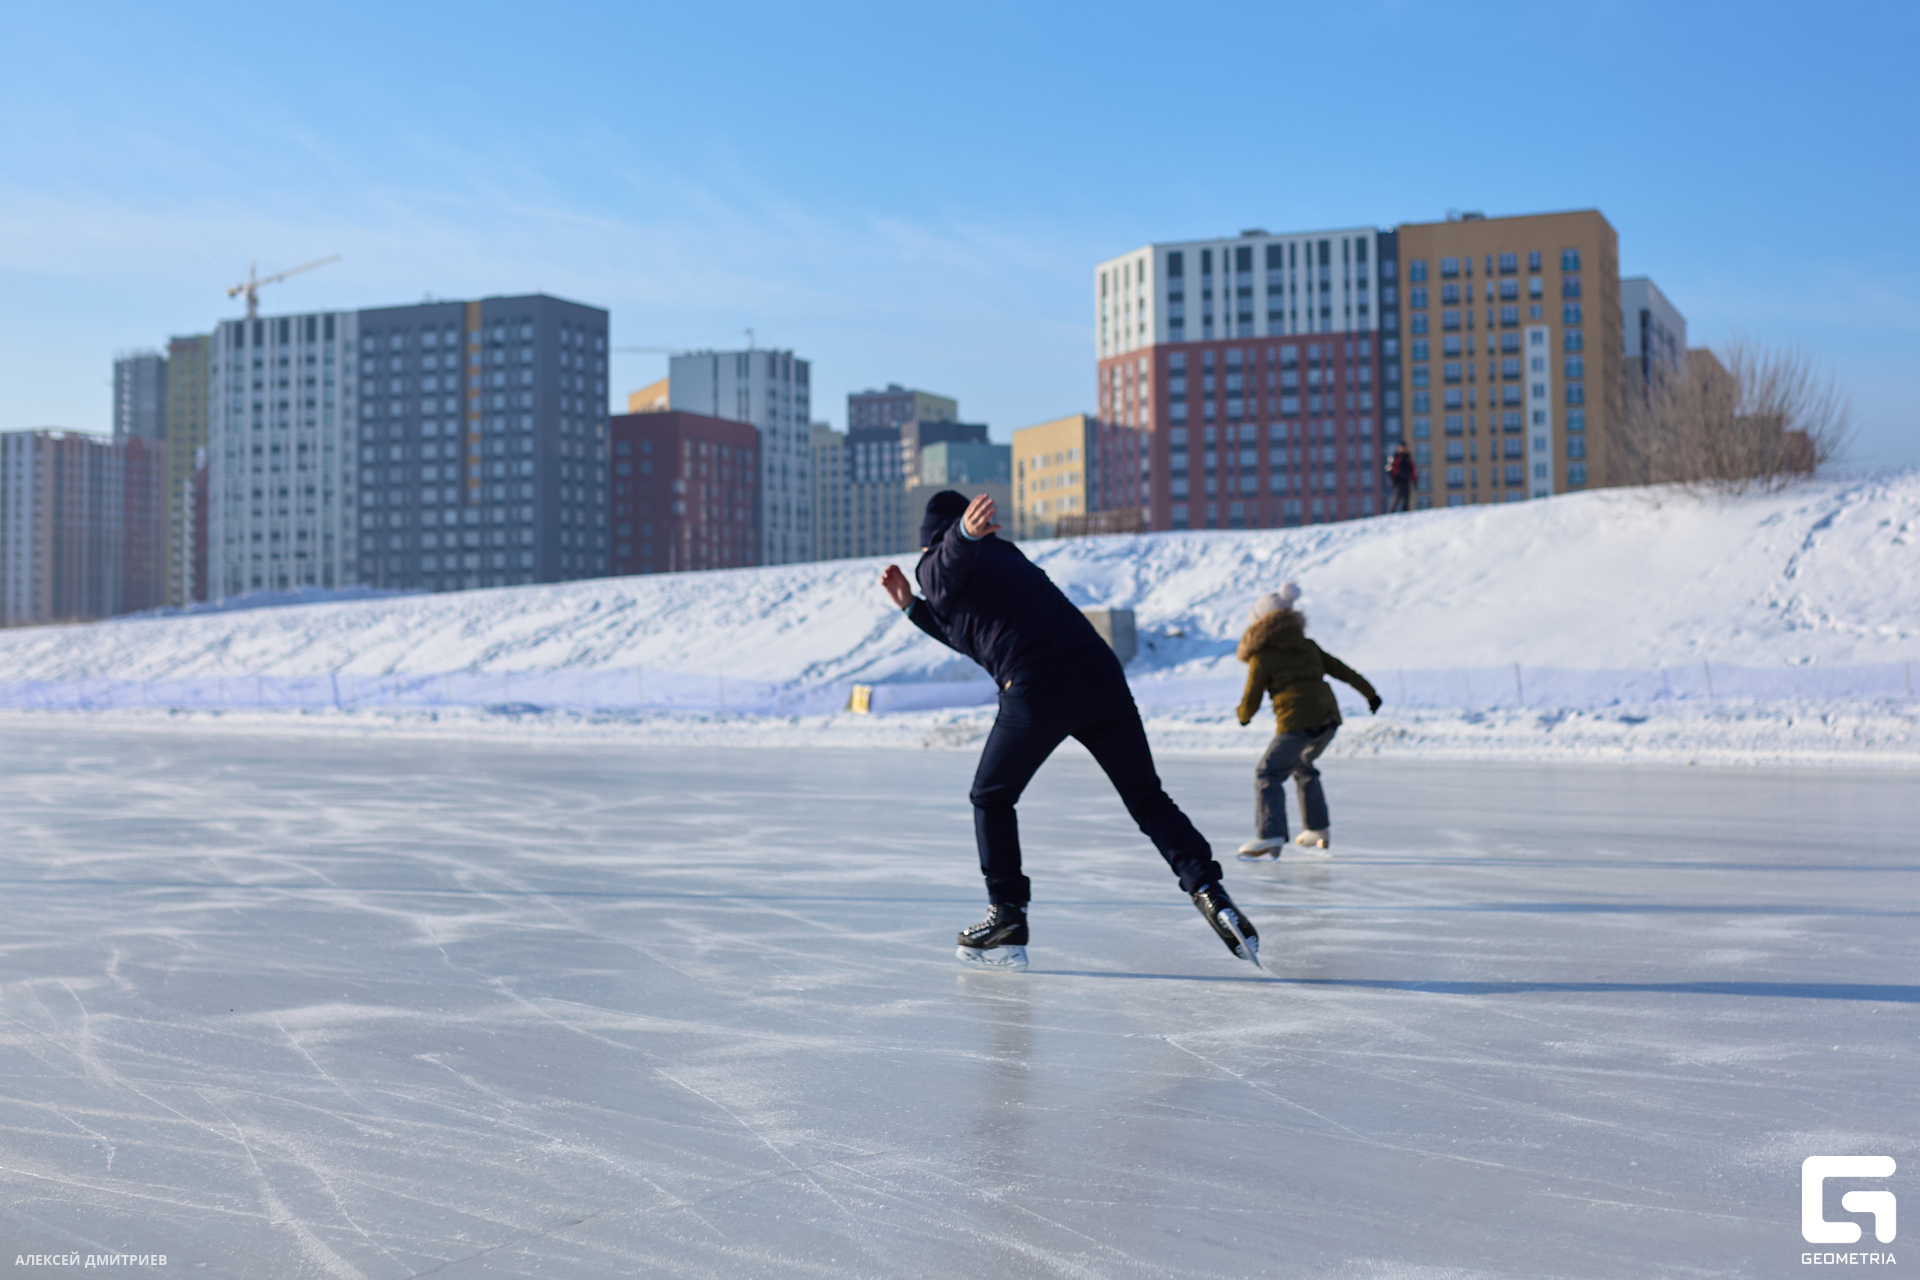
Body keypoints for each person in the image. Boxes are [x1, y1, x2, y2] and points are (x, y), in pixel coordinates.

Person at [880, 490, 1259, 971]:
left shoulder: (941, 561)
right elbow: (966, 634)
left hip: (1039, 683)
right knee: (1147, 798)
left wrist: (958, 537)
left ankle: (1008, 916)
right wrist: (913, 607)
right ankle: (1209, 891)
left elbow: (944, 566)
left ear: (926, 543)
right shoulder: (1005, 562)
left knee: (990, 797)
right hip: (1100, 674)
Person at [1233, 583, 1380, 860]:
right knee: (1303, 765)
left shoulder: (1262, 656)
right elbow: (1342, 670)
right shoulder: (1308, 646)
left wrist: (1243, 716)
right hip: (1328, 720)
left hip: (1296, 722)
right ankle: (1317, 830)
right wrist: (1370, 694)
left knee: (1268, 774)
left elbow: (1251, 697)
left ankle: (1269, 835)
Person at [1386, 443, 1416, 513]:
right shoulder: (1395, 457)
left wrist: (1414, 479)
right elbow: (1389, 468)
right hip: (1398, 481)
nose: (1403, 449)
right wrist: (1393, 479)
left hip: (1406, 480)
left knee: (1406, 498)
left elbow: (1412, 469)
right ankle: (1391, 512)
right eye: (1401, 447)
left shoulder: (1407, 457)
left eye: (1404, 447)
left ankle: (1405, 511)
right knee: (1396, 497)